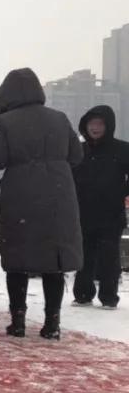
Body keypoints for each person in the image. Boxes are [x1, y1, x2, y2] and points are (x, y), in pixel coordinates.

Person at [0, 67, 83, 339]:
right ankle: (52, 322)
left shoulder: (4, 122)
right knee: (54, 260)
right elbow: (76, 155)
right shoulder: (59, 118)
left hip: (20, 196)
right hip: (58, 196)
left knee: (17, 258)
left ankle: (18, 320)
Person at [71, 105, 129, 309]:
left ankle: (109, 296)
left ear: (108, 126)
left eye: (100, 124)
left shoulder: (122, 149)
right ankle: (83, 294)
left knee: (109, 257)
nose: (95, 128)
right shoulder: (79, 150)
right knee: (83, 255)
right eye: (91, 123)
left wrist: (121, 192)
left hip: (111, 213)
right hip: (83, 211)